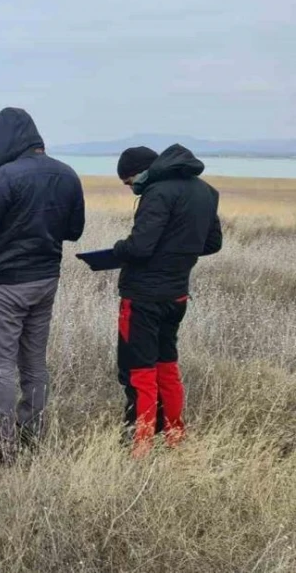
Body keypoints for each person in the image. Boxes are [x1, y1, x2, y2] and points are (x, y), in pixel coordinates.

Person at [0, 107, 85, 463]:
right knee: (34, 361)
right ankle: (31, 433)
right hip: (45, 280)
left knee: (1, 363)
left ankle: (1, 444)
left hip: (7, 284)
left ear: (4, 141)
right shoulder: (68, 174)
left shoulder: (4, 178)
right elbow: (74, 231)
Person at [113, 144, 221, 458]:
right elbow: (213, 243)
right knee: (167, 368)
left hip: (143, 297)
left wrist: (118, 250)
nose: (132, 188)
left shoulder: (157, 193)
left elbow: (140, 247)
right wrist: (177, 253)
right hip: (177, 295)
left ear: (141, 172)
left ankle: (140, 447)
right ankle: (174, 437)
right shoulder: (206, 191)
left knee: (140, 372)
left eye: (129, 182)